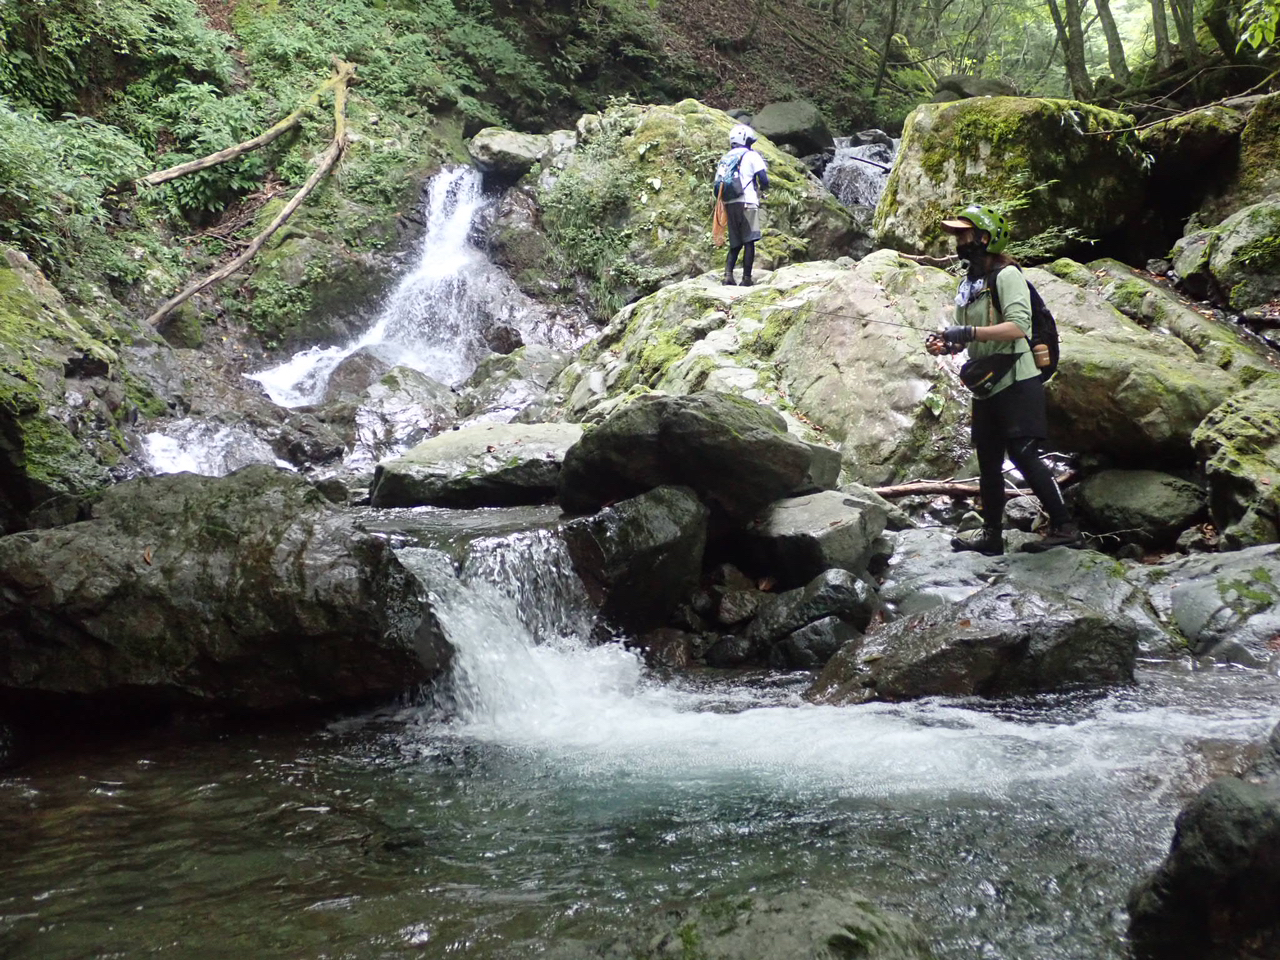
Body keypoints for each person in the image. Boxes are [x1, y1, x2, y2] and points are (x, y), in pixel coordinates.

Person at [925, 203, 1083, 556]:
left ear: (984, 238)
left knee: (1024, 453)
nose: (959, 242)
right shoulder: (968, 284)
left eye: (964, 235)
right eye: (957, 236)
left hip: (1018, 378)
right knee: (989, 461)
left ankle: (1065, 527)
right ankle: (991, 535)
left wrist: (967, 330)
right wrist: (948, 343)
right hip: (987, 384)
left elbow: (1018, 328)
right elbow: (970, 338)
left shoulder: (1007, 276)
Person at [719, 123, 769, 286]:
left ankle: (728, 275)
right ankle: (746, 278)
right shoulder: (752, 155)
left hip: (730, 203)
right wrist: (764, 190)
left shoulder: (726, 158)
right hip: (748, 202)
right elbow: (763, 178)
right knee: (750, 240)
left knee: (735, 242)